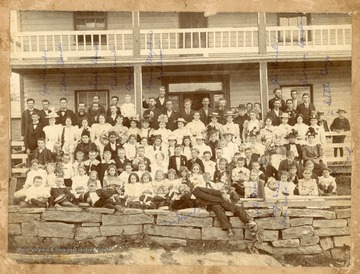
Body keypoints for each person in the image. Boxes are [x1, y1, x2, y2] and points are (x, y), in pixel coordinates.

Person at [192, 186, 260, 239]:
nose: (183, 189)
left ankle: (249, 221)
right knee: (218, 209)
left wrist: (221, 193)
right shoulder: (191, 198)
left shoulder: (197, 189)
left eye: (184, 187)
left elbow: (211, 191)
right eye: (181, 189)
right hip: (212, 205)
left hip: (220, 200)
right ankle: (229, 229)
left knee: (234, 208)